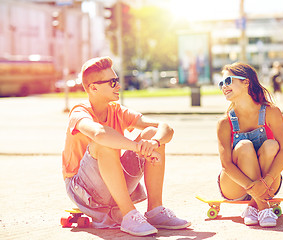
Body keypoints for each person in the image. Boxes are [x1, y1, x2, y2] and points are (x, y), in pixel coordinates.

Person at [62, 56, 190, 236]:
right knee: (104, 143)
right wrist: (138, 147)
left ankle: (155, 211)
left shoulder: (117, 110)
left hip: (112, 183)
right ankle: (129, 215)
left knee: (151, 134)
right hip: (83, 189)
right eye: (113, 82)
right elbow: (99, 133)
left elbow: (165, 128)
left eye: (117, 80)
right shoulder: (79, 112)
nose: (119, 86)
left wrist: (153, 143)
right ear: (93, 88)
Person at [216, 62, 283, 227]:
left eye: (228, 81)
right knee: (244, 146)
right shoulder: (224, 122)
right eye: (221, 83)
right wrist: (252, 187)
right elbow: (226, 165)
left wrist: (265, 182)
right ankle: (263, 207)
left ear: (246, 82)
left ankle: (252, 207)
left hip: (268, 182)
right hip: (235, 185)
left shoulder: (272, 112)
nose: (223, 86)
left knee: (272, 145)